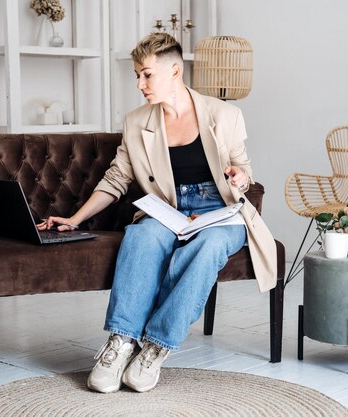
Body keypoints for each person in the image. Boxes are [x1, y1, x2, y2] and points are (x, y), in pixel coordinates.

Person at [37, 32, 277, 393]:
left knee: (209, 247)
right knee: (143, 235)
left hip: (220, 212)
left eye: (147, 74)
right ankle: (120, 342)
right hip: (168, 210)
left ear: (175, 71)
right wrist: (74, 219)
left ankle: (155, 346)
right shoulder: (137, 122)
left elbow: (243, 170)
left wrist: (240, 177)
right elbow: (116, 178)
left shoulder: (225, 115)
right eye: (137, 75)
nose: (140, 84)